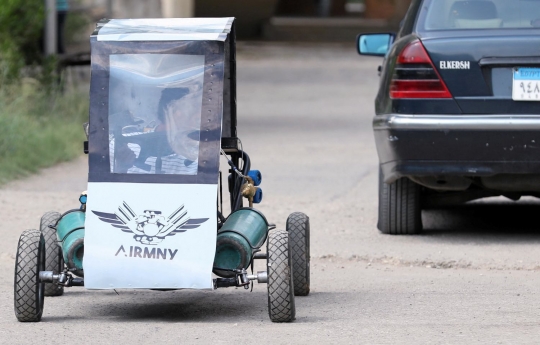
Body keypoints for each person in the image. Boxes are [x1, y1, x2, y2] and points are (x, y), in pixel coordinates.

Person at [110, 87, 201, 175]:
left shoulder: (197, 157)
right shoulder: (119, 146)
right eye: (194, 110)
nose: (200, 120)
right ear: (177, 113)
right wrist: (121, 168)